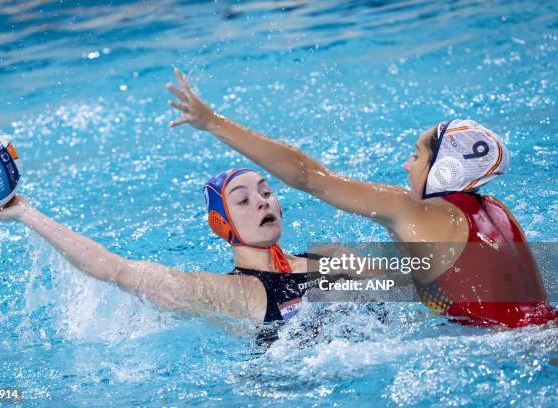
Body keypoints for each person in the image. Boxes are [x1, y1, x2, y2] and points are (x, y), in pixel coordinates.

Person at [166, 67, 557, 328]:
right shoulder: (495, 211)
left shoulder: (415, 213)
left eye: (417, 156)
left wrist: (212, 122)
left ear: (447, 170)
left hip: (511, 350)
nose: (407, 165)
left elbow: (307, 176)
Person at [0, 167, 359, 341]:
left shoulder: (329, 257)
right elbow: (115, 269)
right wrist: (26, 214)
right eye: (243, 200)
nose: (261, 202)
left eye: (266, 192)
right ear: (223, 226)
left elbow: (411, 278)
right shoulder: (226, 293)